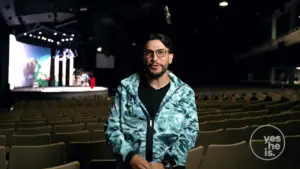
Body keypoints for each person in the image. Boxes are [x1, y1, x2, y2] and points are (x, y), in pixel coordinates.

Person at [104, 33, 199, 169]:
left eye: (161, 53)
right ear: (144, 57)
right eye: (149, 53)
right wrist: (130, 156)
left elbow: (190, 132)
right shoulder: (126, 88)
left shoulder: (184, 93)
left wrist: (166, 164)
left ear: (170, 57)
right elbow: (111, 128)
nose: (154, 58)